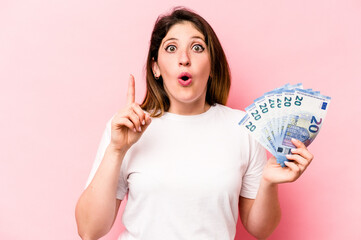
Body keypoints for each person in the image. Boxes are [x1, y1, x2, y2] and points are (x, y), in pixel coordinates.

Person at [75, 6, 314, 240]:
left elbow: (261, 230)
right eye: (171, 48)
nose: (184, 59)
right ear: (155, 67)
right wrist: (116, 150)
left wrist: (269, 183)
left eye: (197, 47)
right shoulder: (127, 128)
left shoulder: (243, 128)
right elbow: (89, 231)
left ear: (211, 66)